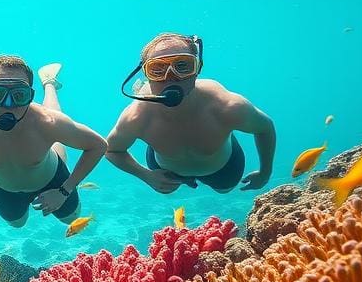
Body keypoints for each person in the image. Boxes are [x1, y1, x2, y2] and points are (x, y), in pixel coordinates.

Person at [0, 56, 107, 228]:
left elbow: (98, 145)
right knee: (17, 224)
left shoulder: (48, 122)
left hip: (52, 178)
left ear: (30, 96)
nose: (8, 105)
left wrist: (64, 191)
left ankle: (49, 84)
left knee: (70, 219)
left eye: (19, 95)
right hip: (4, 189)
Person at [105, 32, 276, 193]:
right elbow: (111, 150)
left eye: (182, 66)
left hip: (223, 168)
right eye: (157, 69)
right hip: (167, 171)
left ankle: (225, 137)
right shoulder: (136, 117)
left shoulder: (227, 106)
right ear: (147, 75)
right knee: (169, 192)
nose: (170, 77)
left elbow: (265, 127)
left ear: (197, 69)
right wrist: (146, 175)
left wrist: (264, 173)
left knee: (224, 190)